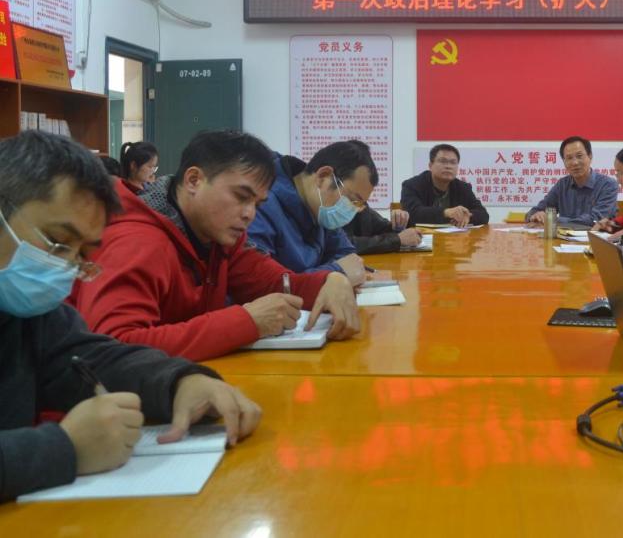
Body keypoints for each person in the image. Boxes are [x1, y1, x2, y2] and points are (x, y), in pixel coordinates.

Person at [0, 131, 260, 502]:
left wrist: (180, 382)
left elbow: (94, 358)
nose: (65, 267)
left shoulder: (32, 314)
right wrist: (64, 448)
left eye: (81, 255)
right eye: (58, 242)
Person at [70, 130, 360, 362]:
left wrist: (330, 281)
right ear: (194, 180)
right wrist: (245, 322)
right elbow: (113, 348)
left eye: (257, 204)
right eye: (241, 197)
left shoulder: (217, 238)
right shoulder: (137, 241)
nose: (249, 214)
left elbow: (277, 284)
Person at [246, 141, 373, 285]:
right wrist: (336, 272)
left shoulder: (321, 210)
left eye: (359, 205)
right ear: (323, 177)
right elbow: (264, 284)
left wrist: (324, 274)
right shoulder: (261, 206)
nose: (353, 210)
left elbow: (346, 254)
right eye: (352, 200)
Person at [526, 136, 619, 226]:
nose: (575, 162)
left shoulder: (608, 185)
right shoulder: (562, 185)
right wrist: (536, 216)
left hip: (595, 236)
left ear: (590, 156)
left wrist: (553, 219)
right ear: (564, 162)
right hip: (563, 237)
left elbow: (596, 219)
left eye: (579, 156)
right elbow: (534, 211)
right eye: (569, 158)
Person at [401, 144, 489, 228]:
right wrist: (446, 212)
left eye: (453, 162)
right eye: (443, 161)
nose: (448, 166)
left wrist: (468, 216)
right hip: (421, 236)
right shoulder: (412, 185)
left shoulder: (463, 187)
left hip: (454, 237)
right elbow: (412, 214)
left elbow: (483, 214)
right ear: (430, 165)